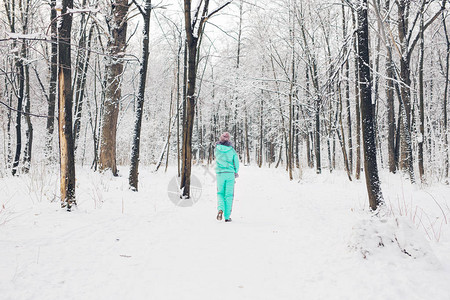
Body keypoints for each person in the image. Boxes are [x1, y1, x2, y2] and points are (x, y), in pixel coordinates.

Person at [215, 132, 239, 222]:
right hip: (230, 174)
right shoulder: (232, 150)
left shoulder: (217, 149)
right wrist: (235, 172)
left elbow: (217, 159)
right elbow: (236, 162)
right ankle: (227, 217)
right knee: (229, 195)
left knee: (220, 193)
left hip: (220, 174)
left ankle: (220, 209)